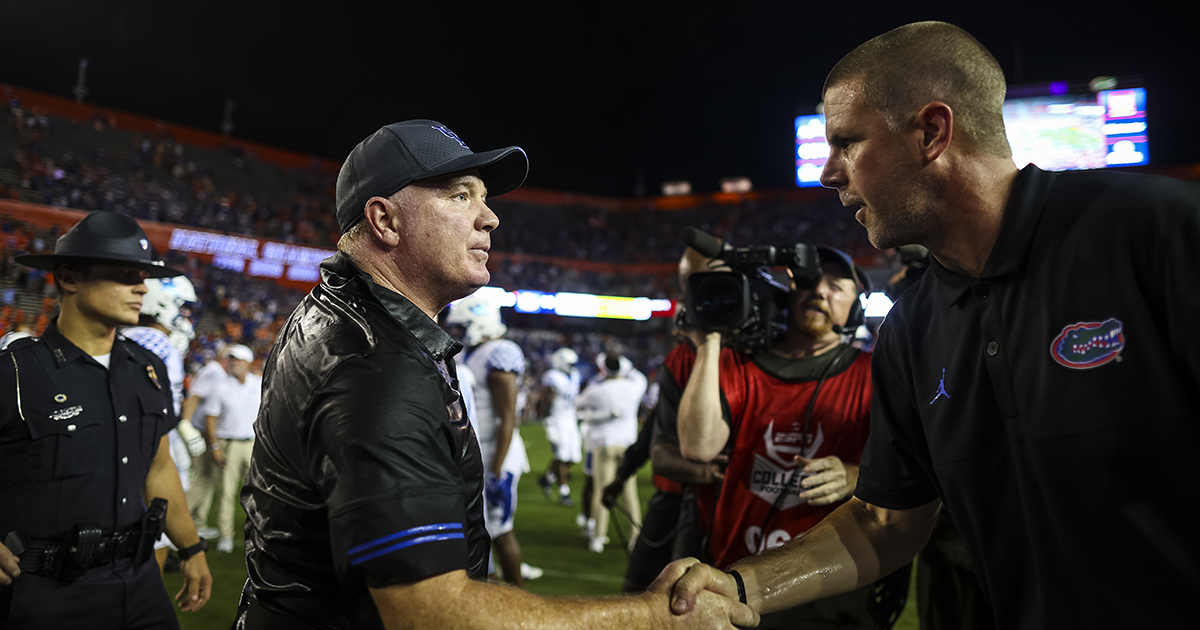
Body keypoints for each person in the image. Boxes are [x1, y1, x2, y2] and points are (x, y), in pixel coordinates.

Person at [668, 21, 1200, 629]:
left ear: (932, 131)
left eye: (847, 143)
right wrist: (743, 585)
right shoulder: (911, 326)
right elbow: (883, 522)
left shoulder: (1162, 234)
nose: (827, 174)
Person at [234, 119, 756, 629]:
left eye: (484, 198)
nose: (490, 218)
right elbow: (431, 611)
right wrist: (652, 617)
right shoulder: (376, 367)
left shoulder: (337, 318)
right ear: (385, 221)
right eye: (461, 195)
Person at [669, 244, 908, 630]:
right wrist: (709, 341)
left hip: (829, 587)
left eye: (836, 286)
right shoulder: (739, 365)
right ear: (787, 295)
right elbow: (698, 447)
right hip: (735, 578)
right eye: (809, 282)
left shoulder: (876, 372)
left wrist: (853, 476)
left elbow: (911, 472)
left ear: (856, 308)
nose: (819, 292)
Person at [0, 211, 211, 628]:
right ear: (70, 278)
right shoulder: (15, 373)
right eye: (123, 274)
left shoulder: (149, 368)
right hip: (45, 593)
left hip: (140, 582)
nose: (141, 287)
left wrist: (191, 549)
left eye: (143, 275)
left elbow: (159, 465)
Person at [121, 275, 210, 572]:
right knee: (154, 529)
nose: (185, 314)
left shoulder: (127, 336)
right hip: (153, 444)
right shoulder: (157, 343)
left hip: (135, 443)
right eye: (181, 306)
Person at [444, 295, 535, 585]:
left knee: (500, 531)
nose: (458, 334)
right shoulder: (474, 353)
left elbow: (508, 417)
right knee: (479, 532)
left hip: (497, 456)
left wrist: (495, 469)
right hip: (479, 454)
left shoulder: (499, 352)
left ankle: (520, 605)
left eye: (463, 327)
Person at [577, 351, 648, 554]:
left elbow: (578, 404)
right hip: (628, 446)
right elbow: (640, 377)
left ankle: (598, 537)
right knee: (629, 493)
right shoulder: (633, 387)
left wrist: (597, 415)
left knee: (601, 490)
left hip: (605, 444)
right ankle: (634, 537)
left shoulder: (597, 390)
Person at [201, 344, 259, 554]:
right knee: (226, 492)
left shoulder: (259, 383)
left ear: (248, 363)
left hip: (253, 444)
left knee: (257, 493)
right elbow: (211, 418)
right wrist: (214, 446)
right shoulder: (220, 386)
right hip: (229, 444)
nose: (233, 362)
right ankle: (226, 535)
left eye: (237, 359)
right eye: (231, 359)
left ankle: (256, 533)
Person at [182, 345, 232, 539]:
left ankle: (197, 524)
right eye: (229, 358)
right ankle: (175, 520)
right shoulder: (214, 372)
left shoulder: (215, 371)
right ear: (222, 358)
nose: (232, 362)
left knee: (206, 478)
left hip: (201, 430)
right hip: (201, 432)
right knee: (203, 477)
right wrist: (186, 424)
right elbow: (194, 398)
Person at [537, 347, 583, 507]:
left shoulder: (575, 375)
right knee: (563, 457)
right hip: (557, 419)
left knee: (574, 457)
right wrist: (549, 422)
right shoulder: (553, 377)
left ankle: (548, 478)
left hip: (571, 418)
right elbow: (547, 402)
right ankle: (564, 492)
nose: (572, 366)